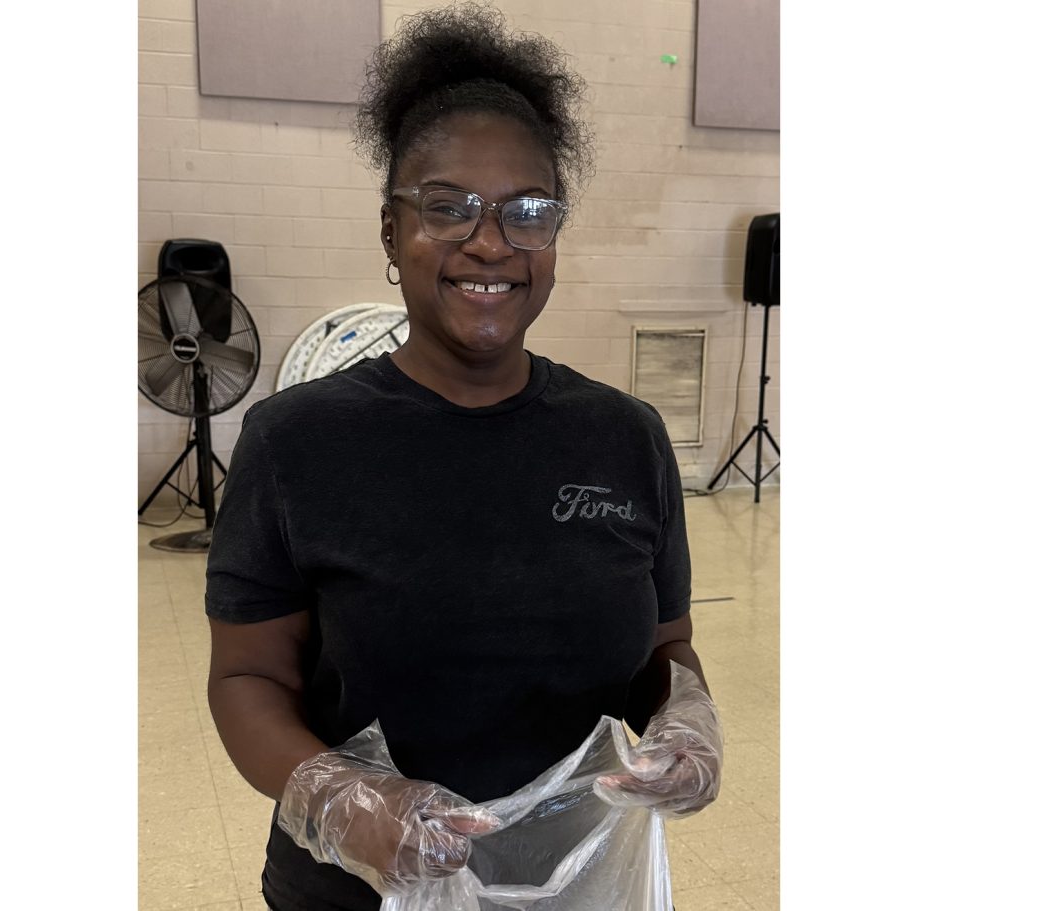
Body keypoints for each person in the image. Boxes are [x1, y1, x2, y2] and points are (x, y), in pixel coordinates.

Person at [204, 5, 723, 910]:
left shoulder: (626, 437)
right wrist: (343, 803)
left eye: (528, 212)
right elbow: (247, 677)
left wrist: (686, 719)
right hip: (357, 888)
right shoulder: (296, 441)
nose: (490, 243)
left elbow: (665, 646)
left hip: (580, 880)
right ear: (389, 230)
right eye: (447, 207)